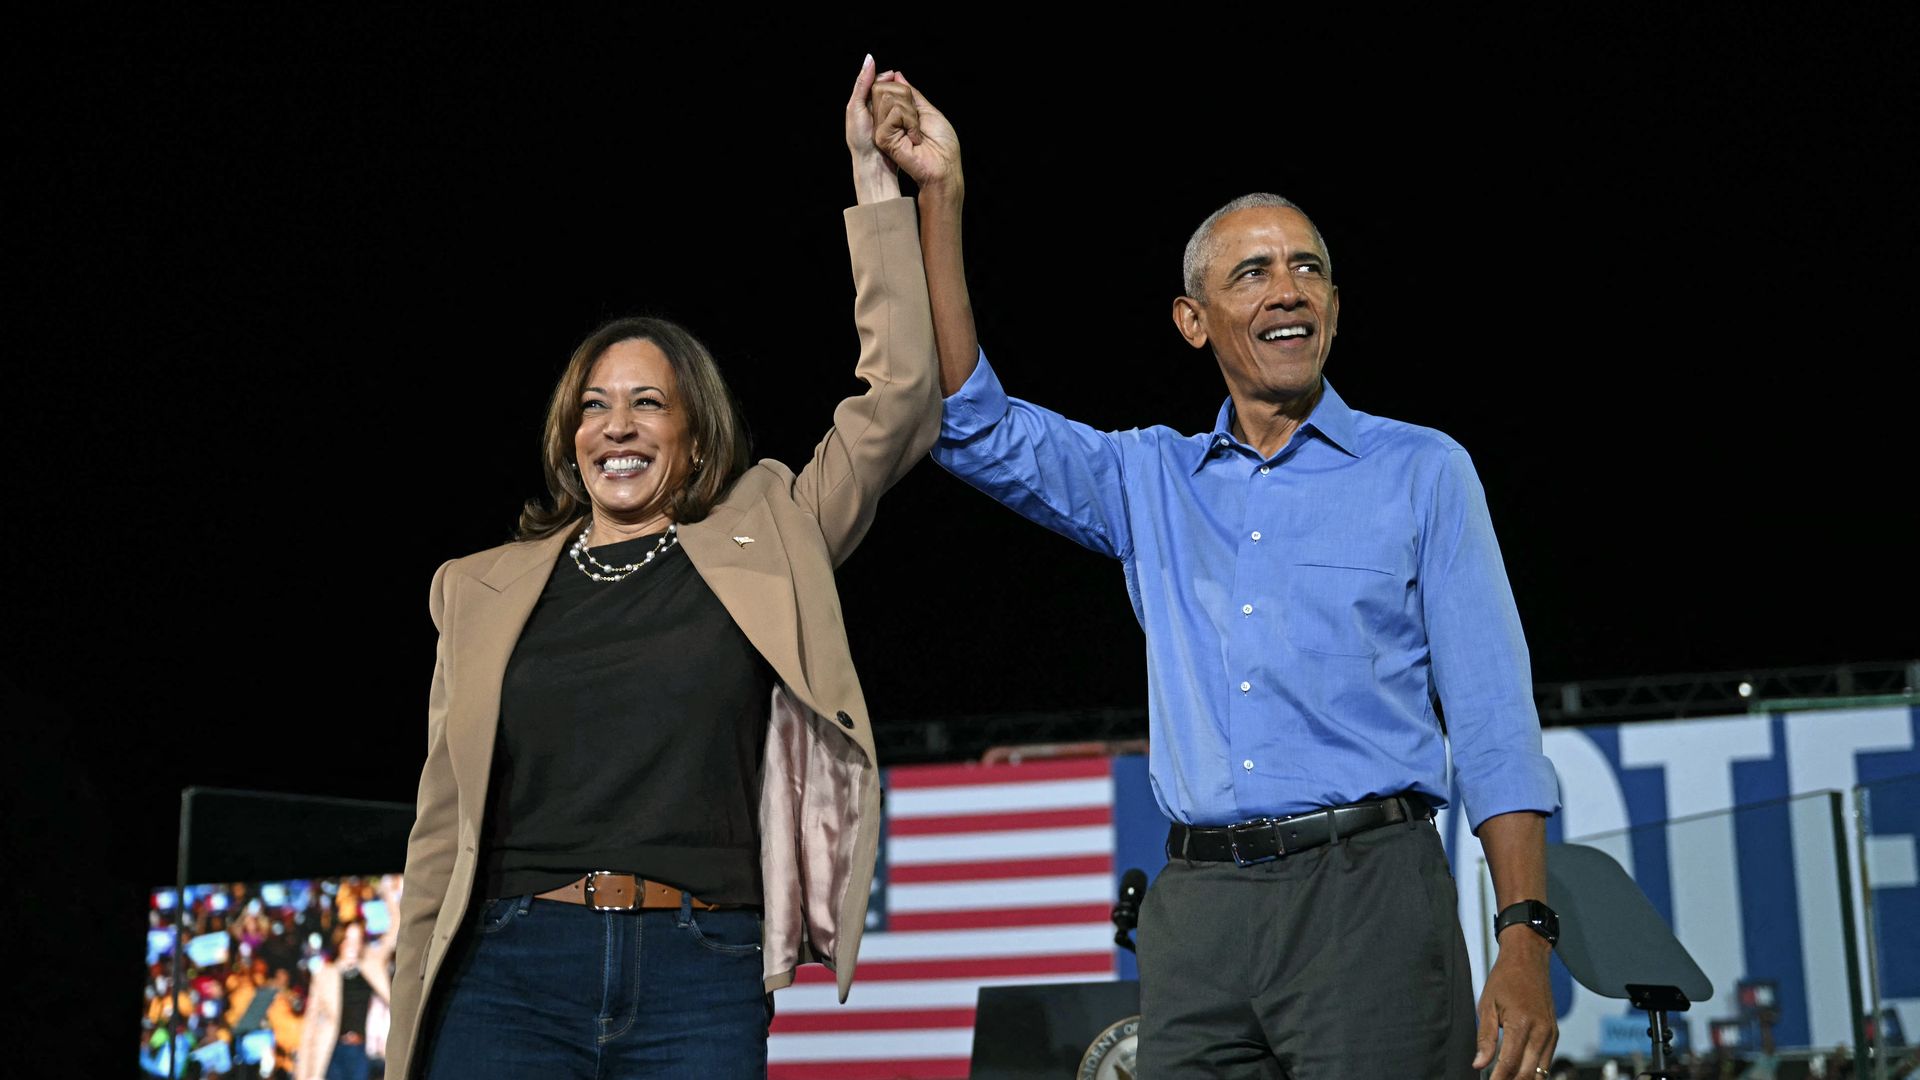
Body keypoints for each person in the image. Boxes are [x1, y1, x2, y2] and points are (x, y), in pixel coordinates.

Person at [867, 76, 1561, 1079]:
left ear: (1333, 304)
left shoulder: (1422, 471)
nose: (1288, 289)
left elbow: (1493, 719)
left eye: (1308, 269)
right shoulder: (1148, 478)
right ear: (1194, 321)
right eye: (1253, 274)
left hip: (1365, 896)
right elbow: (969, 418)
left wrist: (1524, 933)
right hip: (1194, 913)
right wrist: (942, 198)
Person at [382, 57, 941, 1080]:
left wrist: (875, 181)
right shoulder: (478, 587)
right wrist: (406, 1021)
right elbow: (439, 828)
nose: (618, 426)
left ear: (694, 434)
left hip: (700, 967)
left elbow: (901, 394)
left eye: (648, 403)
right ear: (568, 434)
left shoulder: (769, 531)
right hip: (507, 973)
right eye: (595, 404)